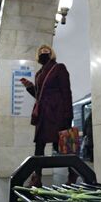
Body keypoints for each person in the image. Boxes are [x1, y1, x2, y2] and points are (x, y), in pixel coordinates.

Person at [20, 44, 76, 187]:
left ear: (51, 54)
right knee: (39, 145)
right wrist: (30, 87)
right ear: (38, 56)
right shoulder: (38, 73)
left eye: (47, 51)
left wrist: (68, 114)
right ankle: (36, 177)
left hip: (57, 112)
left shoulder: (59, 68)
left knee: (63, 146)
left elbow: (66, 91)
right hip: (43, 114)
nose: (44, 53)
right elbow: (39, 96)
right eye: (41, 51)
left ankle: (73, 174)